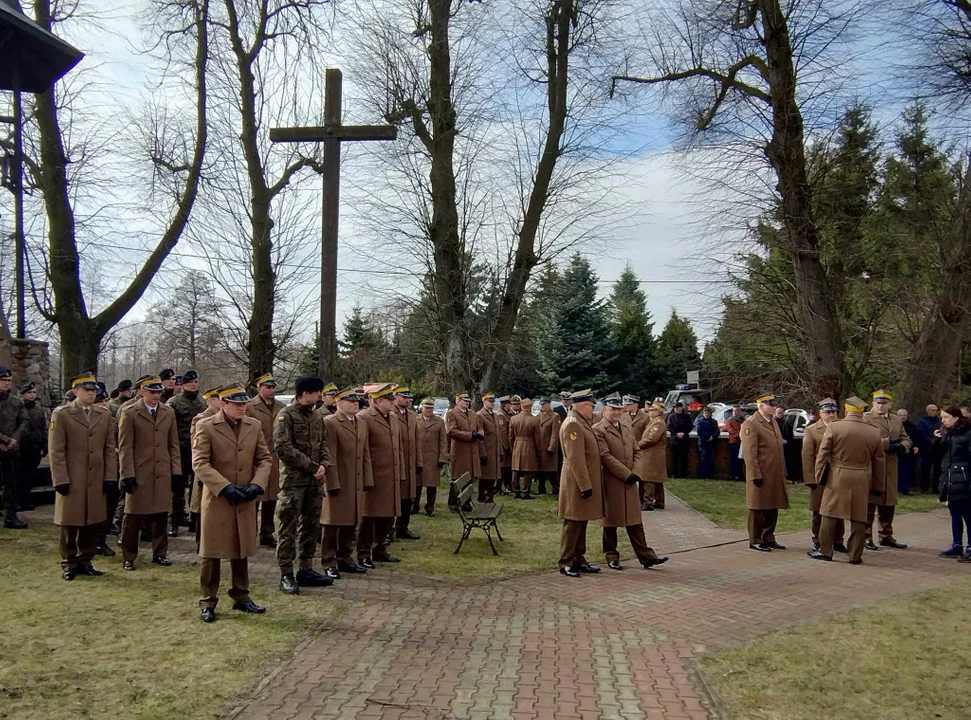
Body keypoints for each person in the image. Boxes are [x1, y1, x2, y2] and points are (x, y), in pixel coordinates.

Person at [192, 384, 270, 621]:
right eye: (236, 404)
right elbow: (200, 463)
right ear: (223, 404)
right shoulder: (206, 426)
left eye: (244, 403)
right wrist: (223, 486)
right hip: (218, 499)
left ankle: (241, 595)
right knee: (211, 551)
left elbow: (265, 458)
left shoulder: (253, 426)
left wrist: (257, 483)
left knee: (241, 548)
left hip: (245, 496)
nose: (241, 408)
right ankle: (208, 600)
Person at [49, 373, 116, 580]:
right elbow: (56, 450)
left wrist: (110, 476)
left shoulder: (103, 415)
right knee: (70, 522)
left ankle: (86, 560)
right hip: (73, 477)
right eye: (87, 390)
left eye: (93, 390)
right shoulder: (62, 414)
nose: (91, 394)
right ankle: (69, 562)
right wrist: (60, 479)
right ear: (76, 391)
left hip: (96, 477)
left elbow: (109, 447)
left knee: (93, 521)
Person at [273, 376, 333, 594]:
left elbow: (323, 443)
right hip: (294, 483)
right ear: (305, 393)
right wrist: (311, 466)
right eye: (317, 392)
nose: (320, 396)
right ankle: (286, 574)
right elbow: (283, 448)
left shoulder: (317, 416)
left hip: (314, 483)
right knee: (287, 529)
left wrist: (325, 464)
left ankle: (305, 569)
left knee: (310, 527)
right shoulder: (286, 416)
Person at [594, 395, 668, 571]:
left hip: (629, 481)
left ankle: (646, 556)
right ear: (604, 409)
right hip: (611, 481)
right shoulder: (598, 430)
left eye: (619, 409)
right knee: (610, 522)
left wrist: (635, 472)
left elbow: (637, 451)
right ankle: (611, 556)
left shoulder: (626, 428)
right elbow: (605, 456)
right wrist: (626, 474)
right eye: (612, 409)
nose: (616, 412)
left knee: (634, 520)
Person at [809, 397, 885, 565]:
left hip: (838, 474)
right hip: (862, 476)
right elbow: (879, 461)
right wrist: (879, 485)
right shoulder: (873, 431)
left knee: (829, 513)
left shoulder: (836, 427)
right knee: (859, 517)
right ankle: (855, 555)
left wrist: (819, 476)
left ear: (846, 410)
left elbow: (823, 454)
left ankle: (825, 550)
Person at [117, 374, 181, 570]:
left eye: (159, 392)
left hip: (161, 471)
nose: (156, 396)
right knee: (133, 516)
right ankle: (129, 556)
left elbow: (173, 444)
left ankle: (160, 553)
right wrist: (127, 474)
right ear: (141, 391)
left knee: (161, 515)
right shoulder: (130, 413)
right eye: (152, 392)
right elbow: (125, 447)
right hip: (139, 472)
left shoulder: (168, 412)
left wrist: (176, 471)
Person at [320, 388, 373, 578]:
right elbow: (329, 455)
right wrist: (331, 483)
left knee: (351, 520)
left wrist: (367, 478)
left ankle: (345, 558)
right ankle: (328, 561)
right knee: (332, 523)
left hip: (356, 481)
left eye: (356, 401)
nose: (355, 404)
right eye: (350, 401)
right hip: (339, 480)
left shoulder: (361, 423)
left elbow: (365, 454)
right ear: (338, 403)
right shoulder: (331, 423)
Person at [557, 390, 605, 578]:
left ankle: (578, 558)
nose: (593, 411)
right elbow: (576, 459)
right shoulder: (573, 425)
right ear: (583, 406)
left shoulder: (581, 422)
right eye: (591, 407)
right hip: (575, 482)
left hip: (581, 480)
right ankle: (566, 560)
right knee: (573, 522)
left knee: (581, 520)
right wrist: (585, 485)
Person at [357, 383, 403, 568]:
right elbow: (363, 450)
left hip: (391, 476)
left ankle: (380, 549)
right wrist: (367, 477)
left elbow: (397, 448)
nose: (393, 403)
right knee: (369, 518)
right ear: (378, 401)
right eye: (389, 400)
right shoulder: (365, 418)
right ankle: (363, 553)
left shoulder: (392, 417)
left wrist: (400, 472)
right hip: (374, 476)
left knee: (387, 516)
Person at [864, 390, 912, 550]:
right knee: (869, 504)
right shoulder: (866, 418)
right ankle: (865, 537)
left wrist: (902, 446)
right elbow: (863, 439)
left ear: (889, 404)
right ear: (873, 403)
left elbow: (906, 438)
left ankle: (886, 535)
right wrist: (885, 443)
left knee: (888, 503)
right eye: (877, 402)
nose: (880, 405)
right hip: (872, 465)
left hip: (891, 466)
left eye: (883, 403)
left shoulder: (896, 419)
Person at [740, 393, 788, 552]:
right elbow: (749, 452)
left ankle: (768, 537)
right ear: (761, 405)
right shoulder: (751, 423)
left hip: (774, 472)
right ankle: (756, 538)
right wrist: (754, 474)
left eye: (775, 404)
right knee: (758, 507)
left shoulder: (773, 421)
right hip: (761, 473)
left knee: (772, 506)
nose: (775, 407)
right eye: (771, 404)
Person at [246, 374, 286, 547]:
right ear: (258, 387)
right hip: (255, 458)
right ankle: (250, 532)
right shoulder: (249, 407)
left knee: (271, 497)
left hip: (275, 458)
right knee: (254, 496)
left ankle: (267, 533)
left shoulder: (281, 407)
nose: (271, 390)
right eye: (267, 387)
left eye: (272, 387)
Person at [166, 369, 205, 537]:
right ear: (182, 385)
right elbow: (168, 428)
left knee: (196, 486)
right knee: (178, 487)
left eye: (195, 382)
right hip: (180, 450)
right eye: (190, 382)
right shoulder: (173, 403)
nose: (193, 385)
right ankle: (173, 521)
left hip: (197, 449)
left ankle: (194, 519)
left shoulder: (202, 402)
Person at [802, 398, 845, 554]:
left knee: (839, 509)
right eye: (827, 412)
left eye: (833, 412)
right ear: (820, 413)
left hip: (839, 476)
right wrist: (810, 479)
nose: (831, 415)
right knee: (819, 511)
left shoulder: (842, 428)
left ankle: (838, 540)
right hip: (820, 476)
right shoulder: (812, 430)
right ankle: (818, 540)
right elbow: (807, 457)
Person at [189, 387, 222, 549]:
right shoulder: (201, 420)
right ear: (210, 400)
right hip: (206, 470)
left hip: (223, 470)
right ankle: (201, 544)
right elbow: (197, 448)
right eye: (218, 398)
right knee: (203, 509)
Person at [937, 406, 971, 562]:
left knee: (968, 515)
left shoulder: (967, 433)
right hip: (949, 479)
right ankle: (957, 544)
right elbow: (939, 456)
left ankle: (970, 547)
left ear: (956, 418)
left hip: (964, 478)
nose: (943, 420)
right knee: (955, 514)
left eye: (946, 417)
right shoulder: (946, 434)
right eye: (942, 417)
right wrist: (936, 440)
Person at [390, 386, 420, 540]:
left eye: (409, 398)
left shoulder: (412, 415)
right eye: (404, 397)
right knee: (394, 496)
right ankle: (389, 530)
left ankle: (403, 527)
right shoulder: (391, 414)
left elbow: (416, 440)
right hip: (397, 461)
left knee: (408, 497)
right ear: (395, 397)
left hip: (410, 462)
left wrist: (418, 461)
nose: (408, 400)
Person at [0, 365, 27, 529]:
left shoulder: (16, 402)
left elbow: (24, 422)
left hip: (11, 449)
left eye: (9, 380)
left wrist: (14, 440)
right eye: (3, 380)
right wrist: (3, 440)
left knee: (12, 484)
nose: (7, 383)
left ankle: (11, 516)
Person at [445, 392, 482, 506]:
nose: (467, 403)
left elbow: (479, 426)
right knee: (457, 477)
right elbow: (452, 431)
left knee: (469, 476)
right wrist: (470, 435)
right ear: (457, 401)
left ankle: (466, 501)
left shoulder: (472, 413)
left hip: (472, 449)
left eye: (468, 401)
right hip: (460, 449)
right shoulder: (452, 414)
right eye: (464, 401)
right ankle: (453, 503)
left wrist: (480, 433)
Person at [17, 381, 47, 512]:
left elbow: (43, 428)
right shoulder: (18, 408)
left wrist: (44, 444)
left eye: (34, 392)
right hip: (20, 446)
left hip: (34, 446)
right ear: (23, 394)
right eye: (29, 393)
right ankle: (18, 501)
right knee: (18, 475)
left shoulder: (38, 410)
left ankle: (25, 499)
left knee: (30, 475)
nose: (32, 395)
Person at [415, 397, 447, 514]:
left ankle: (430, 507)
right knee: (417, 484)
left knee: (431, 484)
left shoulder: (439, 421)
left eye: (431, 408)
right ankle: (415, 506)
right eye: (426, 408)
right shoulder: (415, 419)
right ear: (421, 408)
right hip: (418, 456)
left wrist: (443, 457)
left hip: (433, 457)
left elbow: (443, 441)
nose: (429, 410)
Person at [636, 402, 668, 511]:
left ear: (658, 412)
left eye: (653, 410)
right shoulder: (655, 422)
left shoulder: (658, 423)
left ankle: (647, 502)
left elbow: (652, 439)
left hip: (652, 455)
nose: (650, 411)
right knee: (656, 479)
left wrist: (637, 445)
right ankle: (659, 501)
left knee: (648, 478)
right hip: (653, 455)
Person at [509, 397, 541, 499]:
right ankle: (525, 491)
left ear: (521, 406)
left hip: (517, 444)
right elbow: (538, 438)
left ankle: (516, 490)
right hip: (529, 444)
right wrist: (538, 452)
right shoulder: (534, 420)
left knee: (516, 468)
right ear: (530, 407)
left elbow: (510, 436)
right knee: (528, 469)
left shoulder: (513, 419)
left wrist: (513, 447)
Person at [476, 393, 502, 502]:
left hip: (494, 450)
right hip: (486, 449)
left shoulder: (495, 415)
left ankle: (489, 494)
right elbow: (480, 436)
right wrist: (482, 453)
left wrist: (500, 451)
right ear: (484, 402)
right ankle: (483, 496)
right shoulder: (480, 415)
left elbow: (497, 435)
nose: (492, 403)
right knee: (485, 475)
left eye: (493, 401)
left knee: (492, 475)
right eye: (489, 401)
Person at [536, 397, 561, 494]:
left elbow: (555, 433)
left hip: (548, 447)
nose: (542, 406)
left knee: (551, 470)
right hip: (540, 446)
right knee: (540, 469)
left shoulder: (555, 416)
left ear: (549, 404)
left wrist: (551, 447)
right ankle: (541, 487)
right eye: (541, 404)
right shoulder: (539, 415)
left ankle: (556, 488)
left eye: (544, 404)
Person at [917, 404, 942, 494]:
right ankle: (924, 487)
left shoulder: (939, 421)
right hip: (926, 448)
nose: (935, 412)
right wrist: (930, 440)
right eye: (933, 410)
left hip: (938, 448)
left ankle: (936, 488)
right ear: (927, 411)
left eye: (936, 410)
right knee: (925, 469)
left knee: (938, 469)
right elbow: (921, 433)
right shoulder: (922, 421)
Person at [896, 408, 919, 496]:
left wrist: (916, 446)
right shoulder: (894, 426)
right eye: (901, 415)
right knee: (898, 471)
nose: (903, 417)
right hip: (898, 451)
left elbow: (915, 437)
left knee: (907, 471)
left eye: (905, 415)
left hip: (909, 452)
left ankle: (905, 488)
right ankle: (897, 489)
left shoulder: (912, 426)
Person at [666, 402, 693, 478]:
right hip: (675, 440)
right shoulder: (671, 416)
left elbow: (690, 427)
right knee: (674, 457)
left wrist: (683, 433)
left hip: (684, 439)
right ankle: (674, 473)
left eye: (678, 407)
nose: (677, 409)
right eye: (676, 407)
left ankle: (684, 473)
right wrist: (676, 433)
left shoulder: (686, 416)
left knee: (684, 457)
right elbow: (669, 427)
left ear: (681, 408)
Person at [497, 396, 515, 494]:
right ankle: (498, 487)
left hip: (506, 445)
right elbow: (503, 433)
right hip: (503, 446)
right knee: (503, 467)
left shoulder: (507, 414)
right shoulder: (501, 416)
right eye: (510, 404)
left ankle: (507, 485)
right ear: (506, 405)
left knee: (507, 467)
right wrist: (507, 446)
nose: (511, 406)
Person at [696, 408, 719, 479]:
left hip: (712, 443)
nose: (707, 414)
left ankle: (710, 474)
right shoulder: (699, 421)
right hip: (703, 443)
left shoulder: (714, 422)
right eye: (705, 413)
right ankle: (702, 474)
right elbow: (699, 431)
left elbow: (717, 431)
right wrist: (707, 437)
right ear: (703, 414)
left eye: (708, 413)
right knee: (703, 458)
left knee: (710, 459)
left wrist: (712, 436)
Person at [725, 405, 744, 481]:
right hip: (734, 442)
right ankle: (735, 475)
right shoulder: (729, 420)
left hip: (742, 443)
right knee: (734, 460)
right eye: (734, 410)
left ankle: (741, 474)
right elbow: (730, 430)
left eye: (737, 410)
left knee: (741, 460)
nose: (736, 412)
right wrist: (740, 435)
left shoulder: (743, 420)